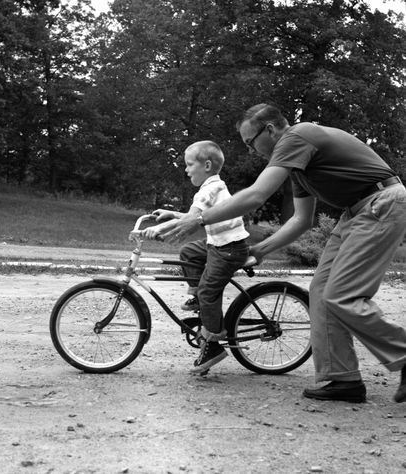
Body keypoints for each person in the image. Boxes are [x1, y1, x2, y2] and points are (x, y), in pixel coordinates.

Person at [160, 103, 406, 403]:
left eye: (251, 142)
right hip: (355, 212)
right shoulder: (299, 168)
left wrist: (198, 219)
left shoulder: (298, 136)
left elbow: (256, 194)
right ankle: (342, 379)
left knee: (342, 295)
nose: (251, 151)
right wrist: (260, 249)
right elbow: (301, 220)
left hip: (383, 202)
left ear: (271, 130)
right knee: (321, 291)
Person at [142, 140, 249, 374]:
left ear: (207, 165)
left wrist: (157, 230)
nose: (186, 169)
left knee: (208, 291)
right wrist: (172, 213)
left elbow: (190, 221)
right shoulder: (214, 187)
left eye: (190, 164)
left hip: (228, 250)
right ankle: (197, 298)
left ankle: (213, 345)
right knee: (190, 251)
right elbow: (196, 218)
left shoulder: (209, 189)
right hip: (220, 244)